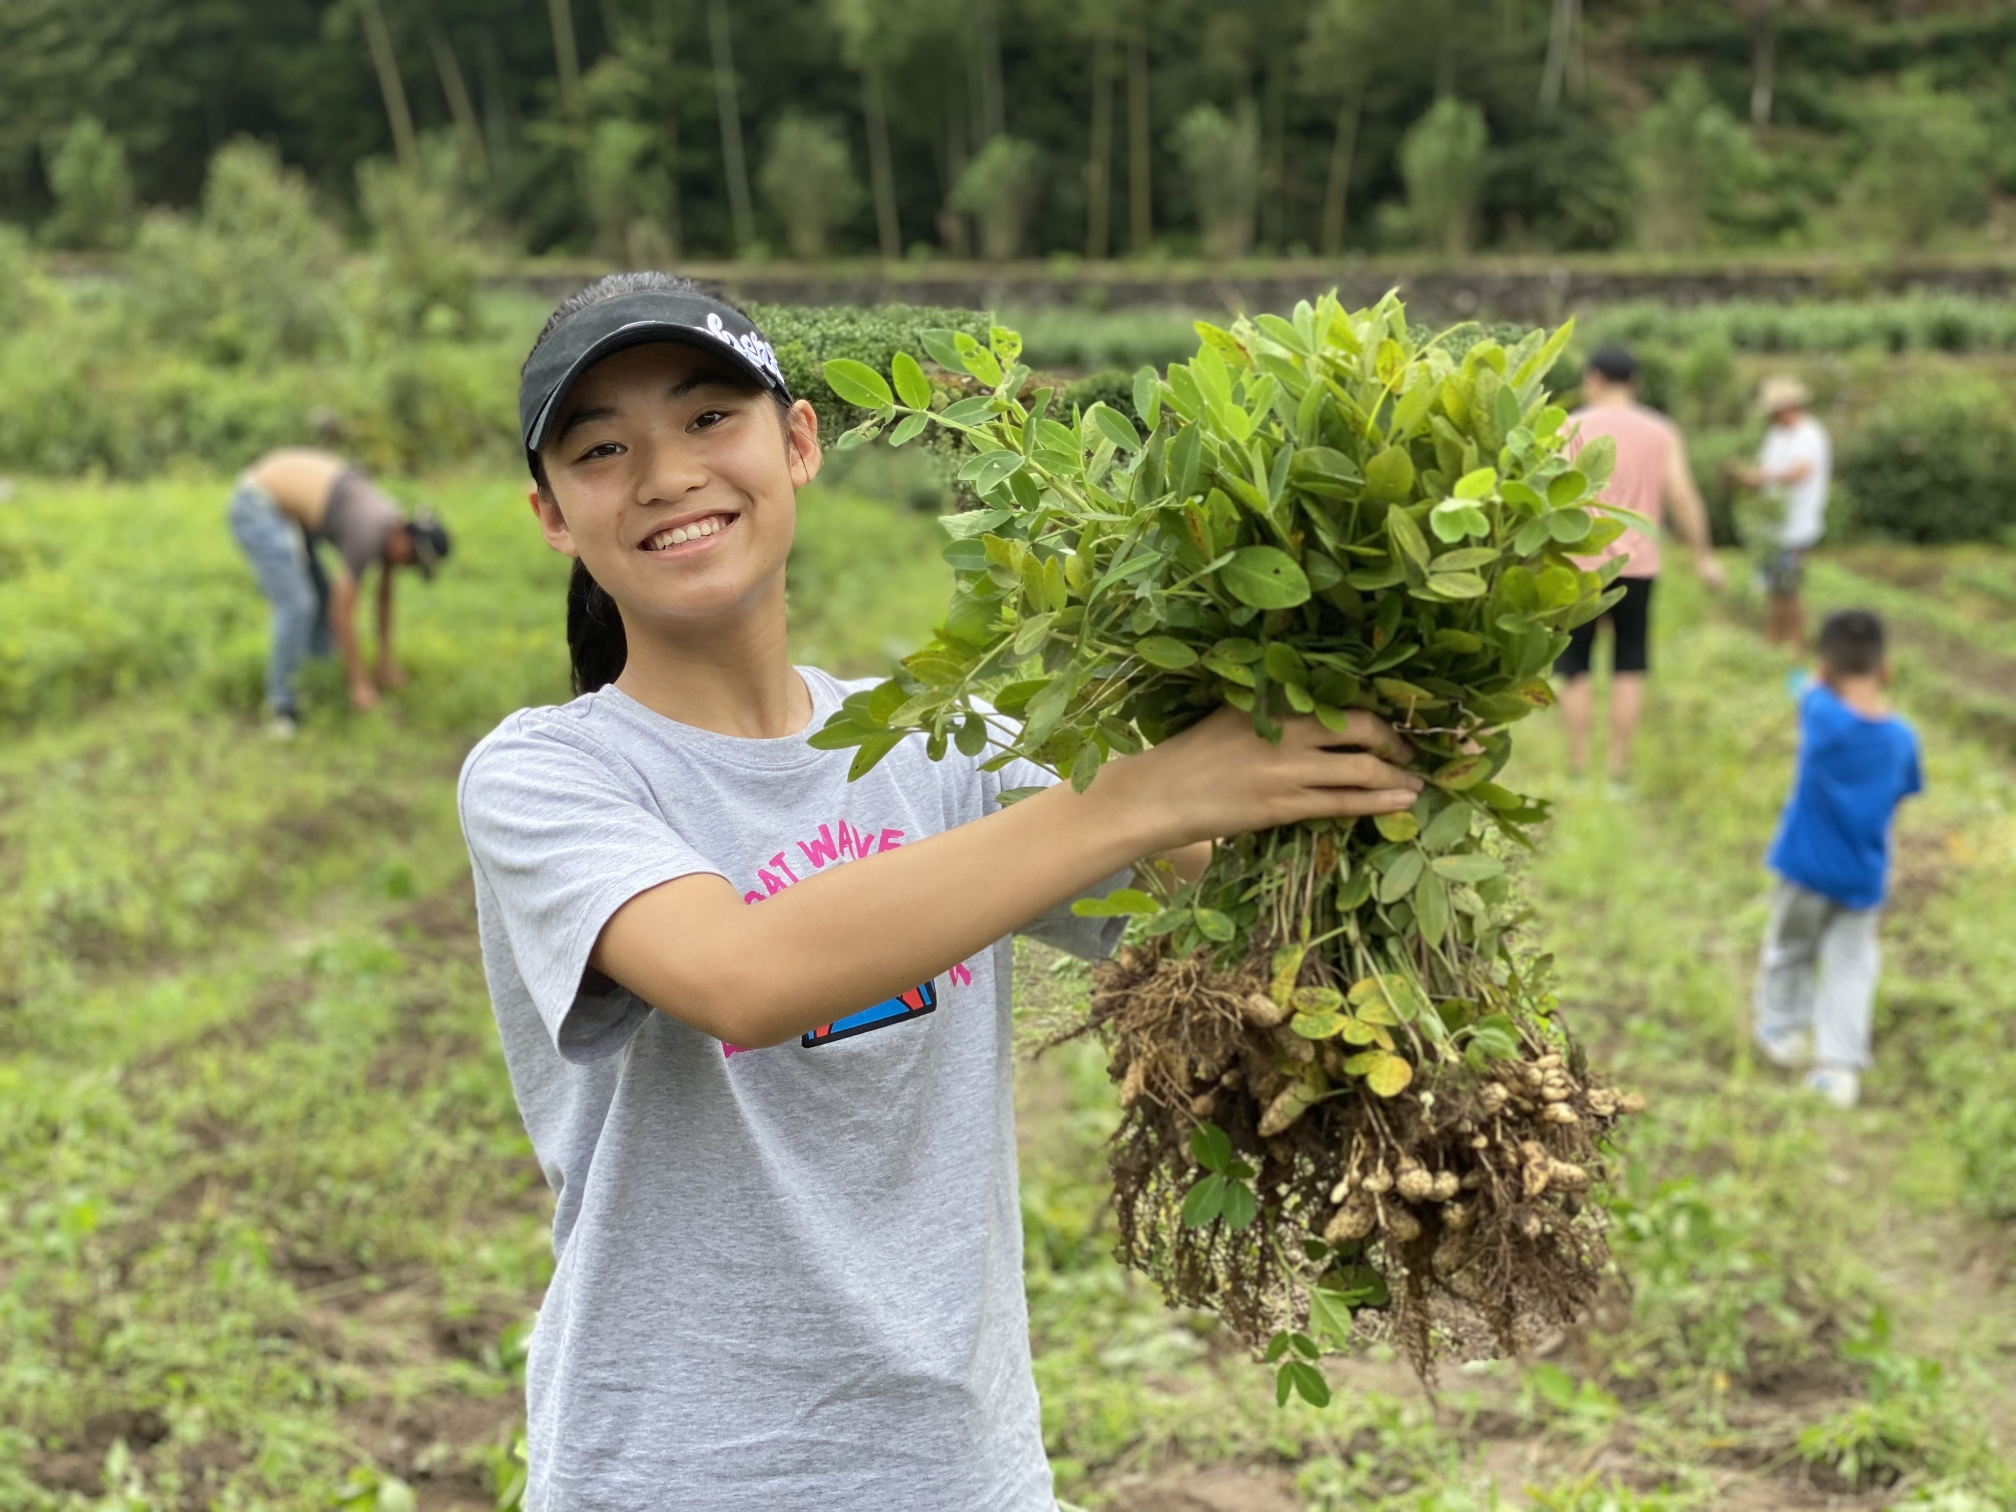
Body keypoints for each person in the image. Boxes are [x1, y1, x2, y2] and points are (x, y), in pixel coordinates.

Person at [456, 273, 1426, 1511]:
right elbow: (740, 978)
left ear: (797, 442)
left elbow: (1226, 876)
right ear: (552, 516)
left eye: (710, 420)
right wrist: (1143, 792)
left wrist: (1334, 702)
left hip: (959, 1471)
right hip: (669, 1470)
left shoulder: (944, 744)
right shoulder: (551, 772)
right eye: (603, 450)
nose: (664, 474)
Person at [1753, 610, 1921, 1110]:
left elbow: (1798, 683)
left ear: (1825, 667)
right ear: (1885, 668)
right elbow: (1903, 793)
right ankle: (1838, 1069)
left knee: (1790, 947)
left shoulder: (1820, 713)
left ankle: (1782, 1033)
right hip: (1863, 874)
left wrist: (1810, 674)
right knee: (1852, 967)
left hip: (1804, 867)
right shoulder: (1901, 738)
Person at [1554, 344, 1726, 787]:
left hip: (1580, 563)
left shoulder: (1570, 427)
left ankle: (1576, 767)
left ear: (1591, 378)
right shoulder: (1660, 431)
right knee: (1629, 664)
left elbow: (1546, 499)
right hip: (1638, 563)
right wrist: (1703, 556)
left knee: (1573, 664)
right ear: (1634, 383)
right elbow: (1683, 499)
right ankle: (1617, 771)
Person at [227, 448, 450, 736]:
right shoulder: (370, 528)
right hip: (258, 504)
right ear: (405, 544)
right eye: (410, 562)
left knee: (318, 598)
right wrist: (358, 682)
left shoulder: (390, 524)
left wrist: (385, 660)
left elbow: (383, 599)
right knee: (298, 605)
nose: (405, 567)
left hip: (291, 514)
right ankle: (283, 710)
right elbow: (341, 610)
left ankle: (316, 683)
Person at [1727, 375, 1831, 652]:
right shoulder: (1777, 435)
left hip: (1797, 525)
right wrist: (1749, 476)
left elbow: (1800, 472)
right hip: (1774, 526)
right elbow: (1765, 469)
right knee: (1775, 587)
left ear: (1789, 407)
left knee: (1789, 587)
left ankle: (1793, 644)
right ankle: (1773, 640)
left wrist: (1761, 479)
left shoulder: (1810, 434)